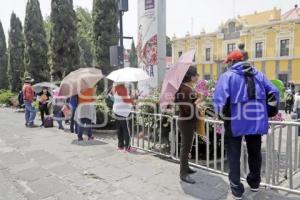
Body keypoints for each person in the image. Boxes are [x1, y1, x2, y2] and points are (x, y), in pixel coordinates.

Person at [213, 50, 279, 199]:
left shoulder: (227, 76)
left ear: (231, 62)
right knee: (255, 153)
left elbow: (219, 99)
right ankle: (254, 183)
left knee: (234, 155)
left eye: (228, 63)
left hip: (234, 121)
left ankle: (237, 190)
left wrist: (221, 115)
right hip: (256, 121)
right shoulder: (260, 75)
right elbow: (274, 92)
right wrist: (267, 112)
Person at [175, 66, 200, 184]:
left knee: (187, 147)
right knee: (185, 148)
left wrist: (195, 99)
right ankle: (183, 174)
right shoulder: (185, 89)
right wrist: (197, 106)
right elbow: (187, 109)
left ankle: (186, 168)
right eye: (196, 74)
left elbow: (189, 104)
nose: (198, 76)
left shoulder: (187, 88)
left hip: (186, 121)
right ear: (190, 77)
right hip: (186, 122)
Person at [112, 83, 136, 152]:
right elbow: (126, 100)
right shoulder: (122, 88)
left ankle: (120, 146)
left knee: (119, 129)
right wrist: (133, 101)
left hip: (116, 111)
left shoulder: (114, 88)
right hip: (123, 113)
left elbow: (121, 98)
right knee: (126, 130)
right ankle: (127, 147)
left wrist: (129, 96)